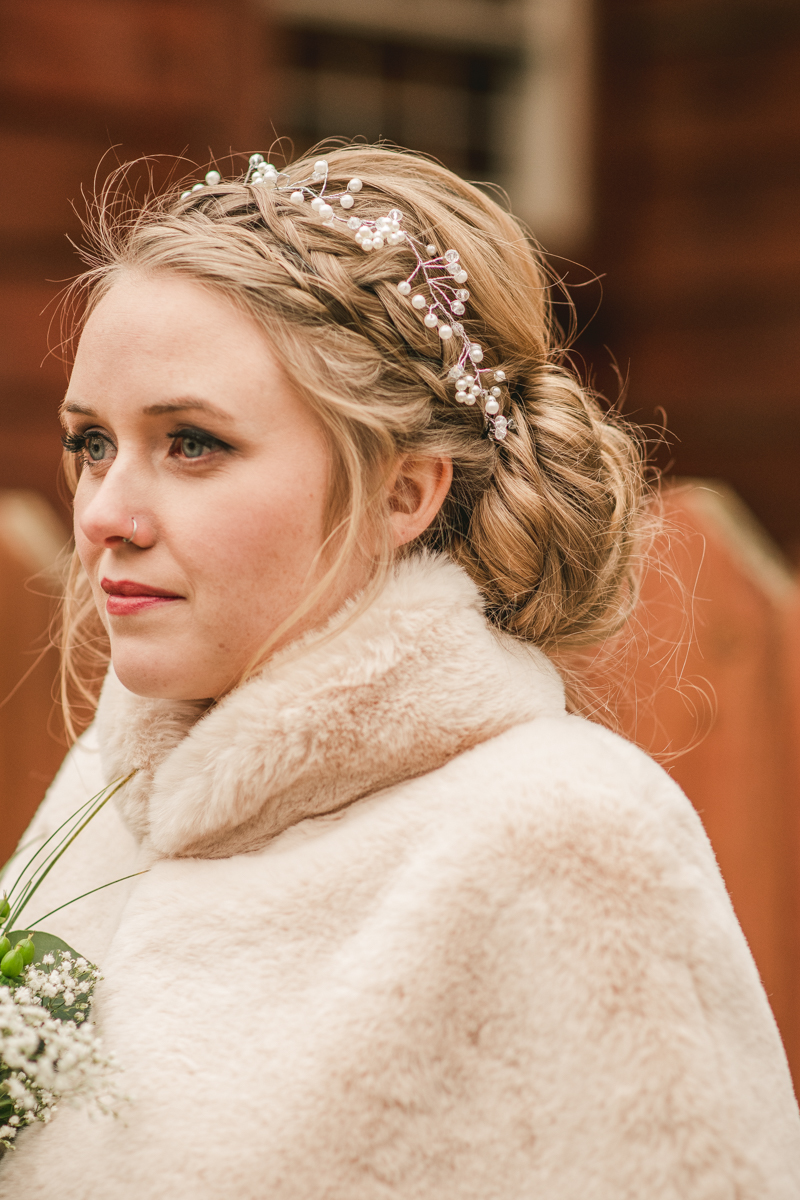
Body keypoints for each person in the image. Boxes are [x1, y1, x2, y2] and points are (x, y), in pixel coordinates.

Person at [0, 144, 798, 1199]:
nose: (102, 513)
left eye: (191, 442)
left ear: (403, 491)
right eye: (91, 443)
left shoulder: (565, 834)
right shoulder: (106, 789)